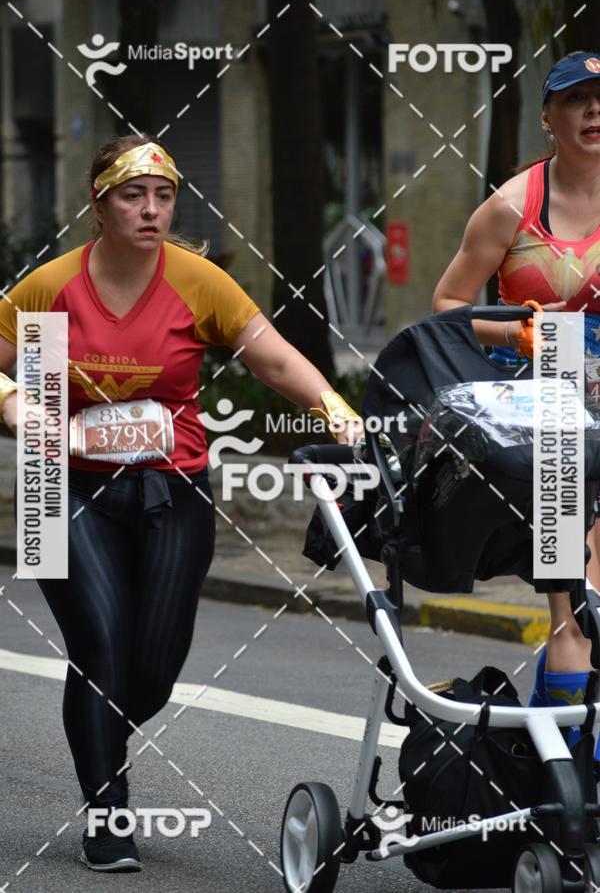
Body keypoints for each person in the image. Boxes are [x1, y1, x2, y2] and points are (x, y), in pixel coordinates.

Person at [0, 134, 362, 872]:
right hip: (59, 485)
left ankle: (99, 739)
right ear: (97, 204)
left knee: (154, 668)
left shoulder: (200, 283)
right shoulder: (50, 288)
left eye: (163, 196)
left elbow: (274, 357)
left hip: (176, 485)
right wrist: (12, 399)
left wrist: (335, 410)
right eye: (133, 195)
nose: (151, 209)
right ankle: (108, 810)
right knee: (99, 649)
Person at [432, 51, 600, 738]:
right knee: (577, 603)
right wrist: (522, 336)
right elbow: (446, 305)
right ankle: (557, 780)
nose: (594, 110)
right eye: (577, 99)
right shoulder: (510, 206)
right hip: (552, 429)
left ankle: (555, 770)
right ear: (548, 118)